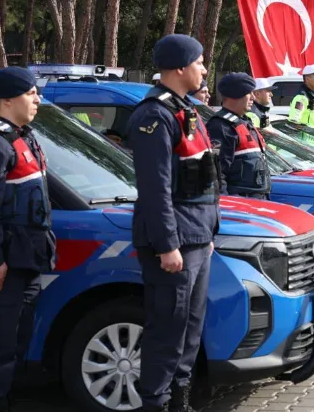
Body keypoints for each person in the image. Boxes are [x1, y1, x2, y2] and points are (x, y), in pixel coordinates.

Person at [127, 34, 220, 412]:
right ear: (180, 67)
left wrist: (208, 233)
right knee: (167, 331)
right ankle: (157, 403)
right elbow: (155, 188)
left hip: (196, 237)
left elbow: (204, 180)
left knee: (190, 329)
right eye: (199, 62)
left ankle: (181, 402)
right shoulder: (154, 116)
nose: (204, 69)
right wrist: (167, 244)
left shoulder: (186, 110)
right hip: (175, 242)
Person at [0, 67, 55, 412]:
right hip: (4, 264)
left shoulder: (22, 137)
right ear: (6, 100)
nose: (38, 99)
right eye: (31, 93)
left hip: (25, 260)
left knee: (15, 345)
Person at [207, 73, 270, 199]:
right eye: (248, 93)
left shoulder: (245, 122)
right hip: (241, 201)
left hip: (257, 199)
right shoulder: (221, 126)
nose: (253, 97)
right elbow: (217, 174)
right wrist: (227, 203)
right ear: (235, 95)